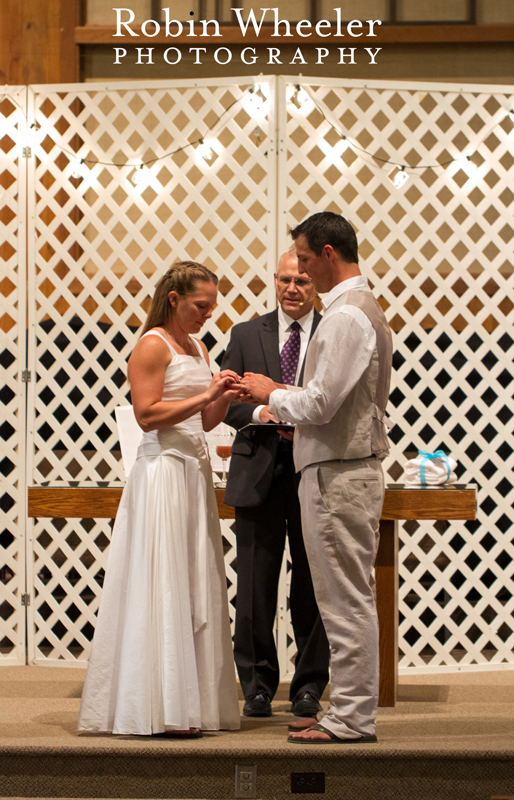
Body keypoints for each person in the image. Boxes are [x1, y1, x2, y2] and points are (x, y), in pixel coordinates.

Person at [241, 212, 392, 744]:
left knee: (344, 600)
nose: (298, 272)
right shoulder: (356, 309)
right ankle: (348, 712)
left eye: (304, 260)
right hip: (339, 467)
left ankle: (352, 717)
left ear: (329, 254)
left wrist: (269, 393)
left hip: (338, 476)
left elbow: (322, 402)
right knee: (343, 597)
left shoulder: (348, 316)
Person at [78, 261, 242, 738]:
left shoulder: (198, 346)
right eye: (200, 306)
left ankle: (192, 703)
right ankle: (155, 703)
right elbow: (148, 414)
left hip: (193, 472)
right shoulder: (152, 344)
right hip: (162, 473)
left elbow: (207, 422)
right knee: (162, 579)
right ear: (174, 299)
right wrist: (206, 393)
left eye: (212, 307)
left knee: (193, 578)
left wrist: (224, 394)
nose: (207, 315)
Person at [221, 250, 330, 719]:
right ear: (274, 281)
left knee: (312, 585)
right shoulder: (246, 334)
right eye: (285, 279)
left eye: (301, 281)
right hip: (258, 469)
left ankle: (308, 686)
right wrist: (263, 412)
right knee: (254, 587)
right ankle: (258, 685)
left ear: (315, 285)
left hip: (315, 470)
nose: (292, 288)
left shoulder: (334, 331)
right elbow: (227, 403)